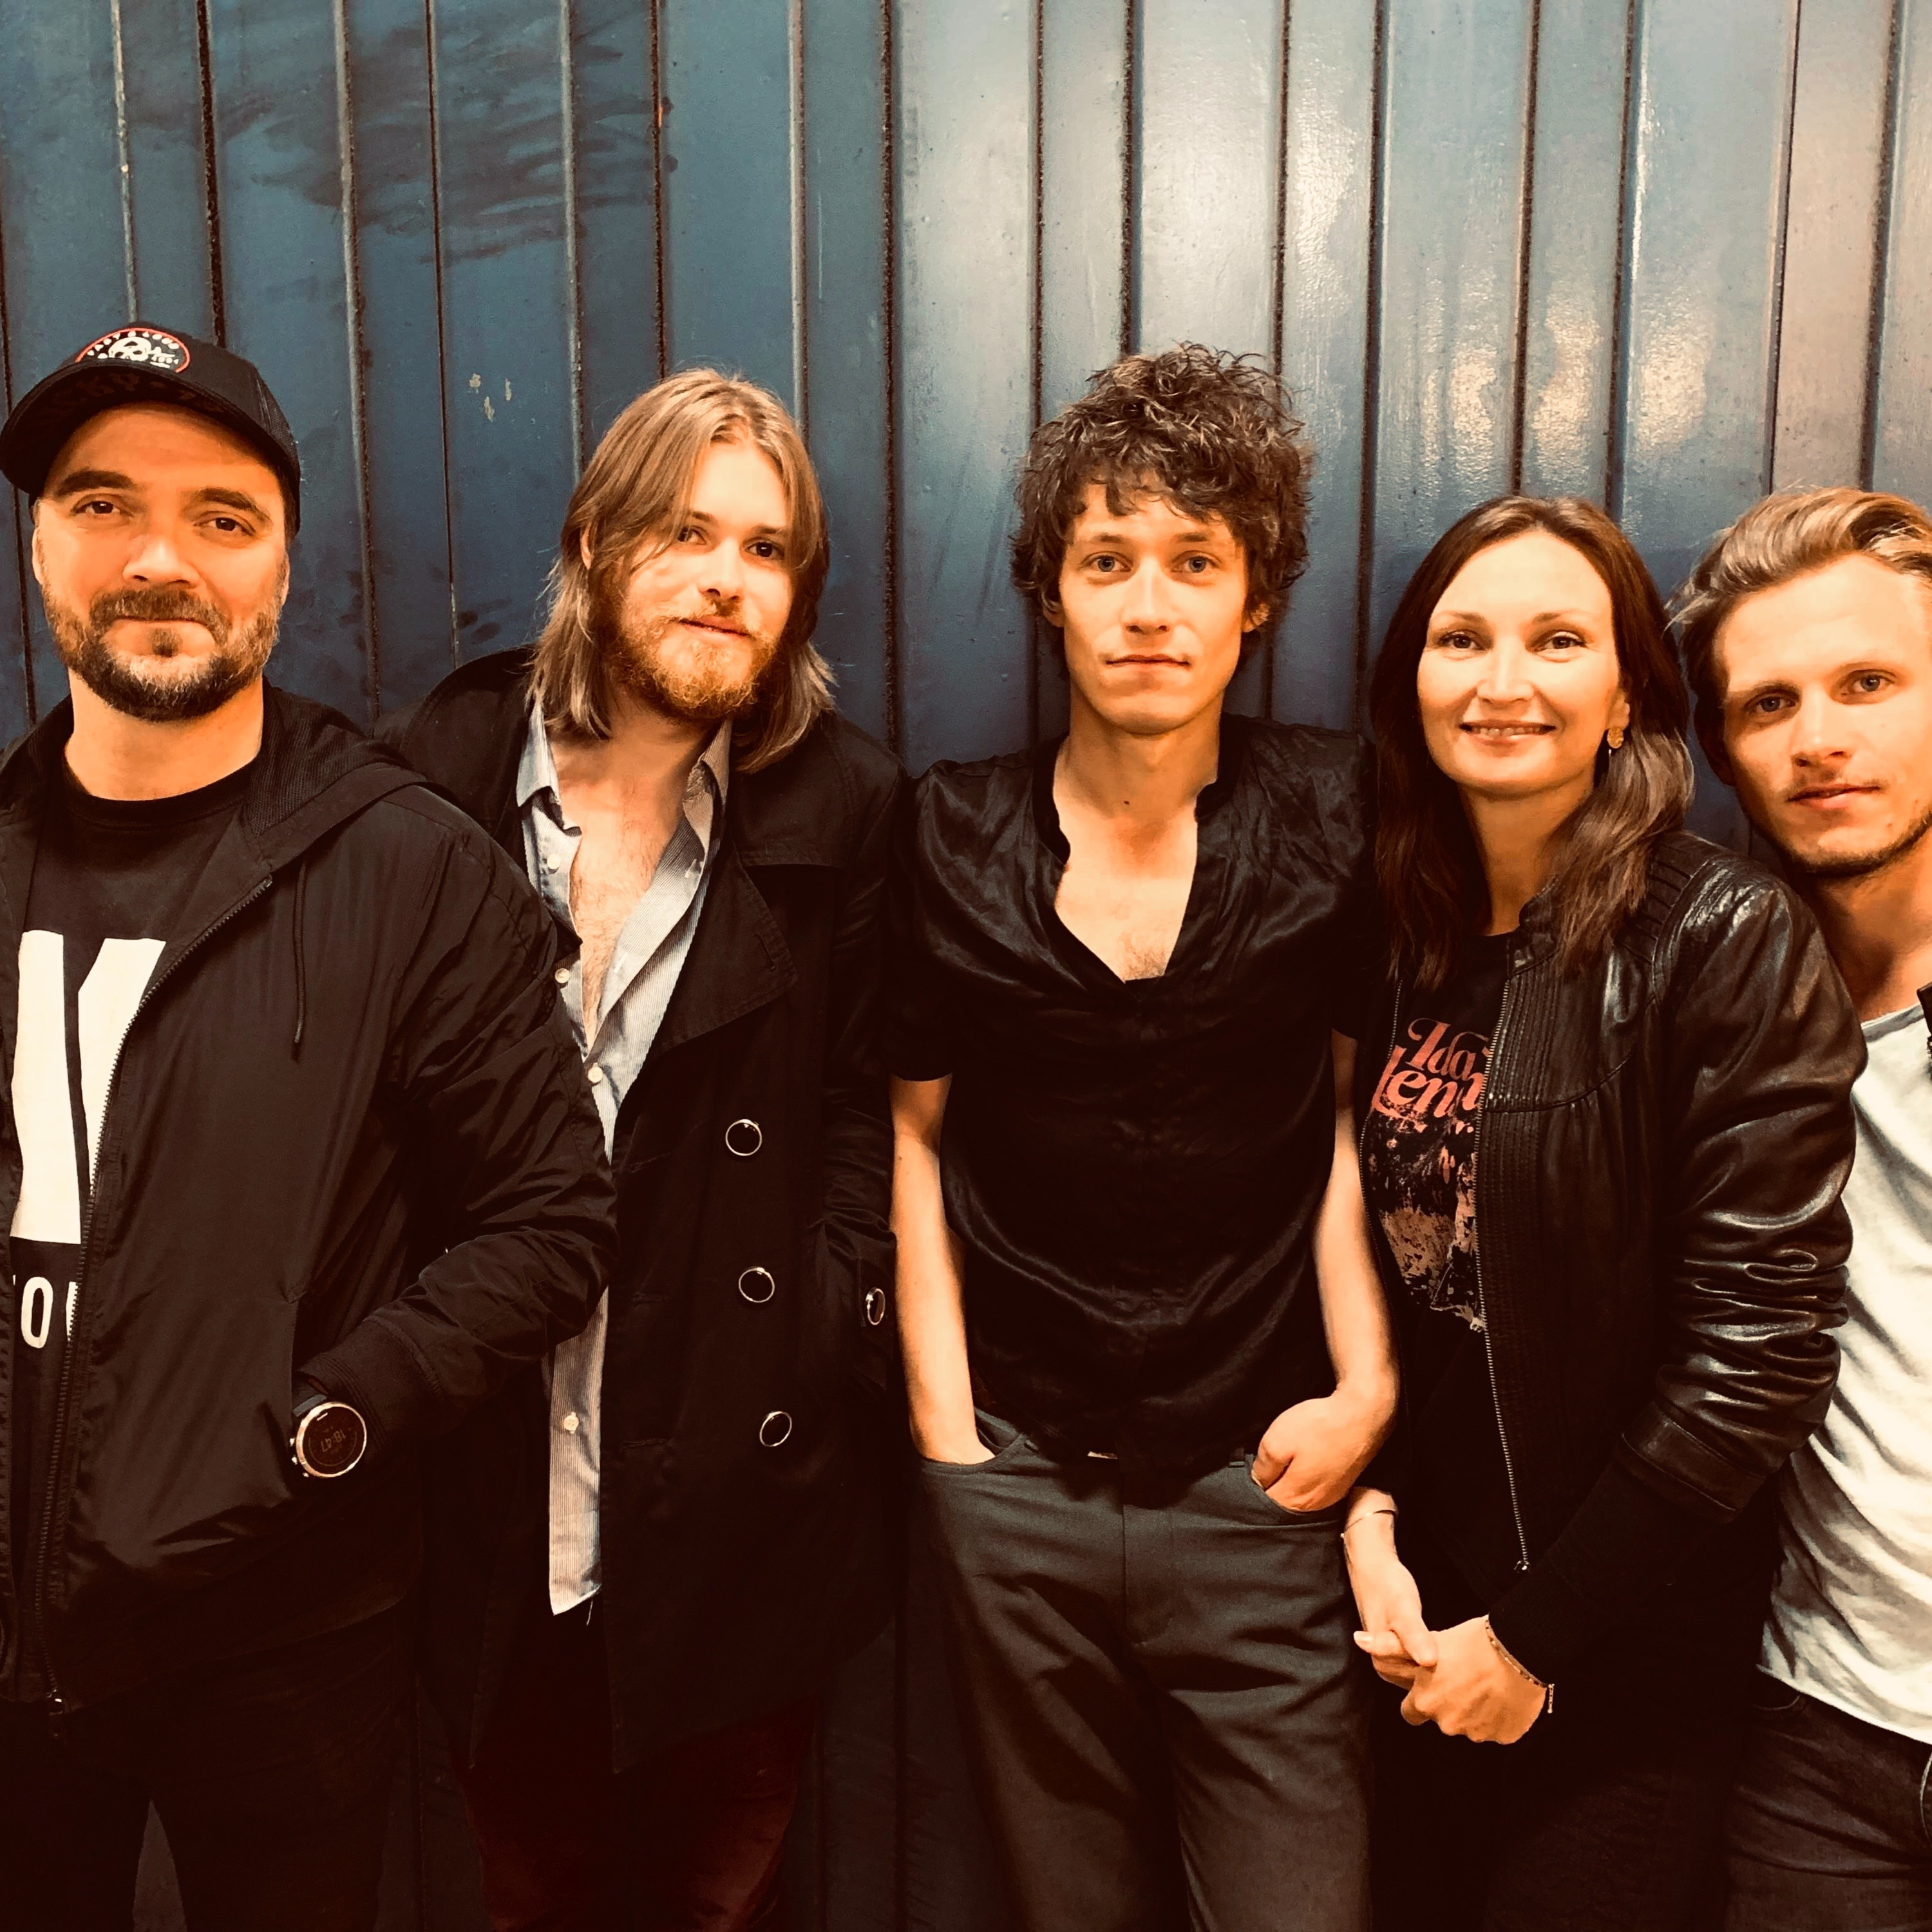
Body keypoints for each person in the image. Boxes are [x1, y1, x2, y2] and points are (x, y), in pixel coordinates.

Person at [0, 324, 615, 1931]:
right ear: (40, 545)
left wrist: (320, 1428)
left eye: (222, 516)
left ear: (282, 568)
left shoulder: (404, 867)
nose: (158, 558)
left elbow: (552, 1220)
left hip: (279, 1629)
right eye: (102, 504)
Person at [382, 368, 901, 1932]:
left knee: (715, 1903)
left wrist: (823, 1319)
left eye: (766, 549)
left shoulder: (846, 803)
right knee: (526, 1893)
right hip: (492, 1484)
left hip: (737, 1495)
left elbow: (862, 1108)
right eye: (686, 531)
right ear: (597, 544)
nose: (728, 579)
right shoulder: (445, 769)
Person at [886, 344, 1396, 1932]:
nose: (1150, 607)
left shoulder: (1336, 815)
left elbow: (1345, 1117)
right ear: (1052, 594)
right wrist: (948, 1440)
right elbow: (911, 1137)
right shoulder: (948, 831)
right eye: (1108, 562)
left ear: (1257, 599)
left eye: (1195, 561)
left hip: (1261, 1480)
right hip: (1017, 1476)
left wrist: (1368, 1387)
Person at [1342, 494, 1861, 1931]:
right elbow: (1402, 1283)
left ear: (1627, 692)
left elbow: (1758, 1361)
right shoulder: (1405, 933)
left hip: (1620, 1657)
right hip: (1417, 1623)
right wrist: (1375, 1517)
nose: (1503, 680)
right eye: (1463, 640)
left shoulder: (1723, 936)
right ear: (1414, 682)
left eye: (1558, 641)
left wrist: (1534, 1640)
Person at [1674, 487, 1932, 1929]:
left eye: (1869, 683)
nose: (1819, 738)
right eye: (1769, 704)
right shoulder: (1727, 1012)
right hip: (1824, 1740)